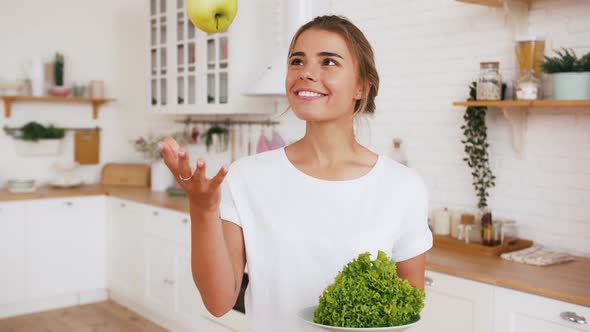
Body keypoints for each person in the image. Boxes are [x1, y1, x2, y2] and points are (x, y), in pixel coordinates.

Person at [159, 15, 432, 332]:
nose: (306, 73)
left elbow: (408, 307)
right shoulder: (246, 177)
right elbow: (218, 302)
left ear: (361, 86)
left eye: (328, 62)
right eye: (297, 61)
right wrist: (203, 209)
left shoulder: (403, 186)